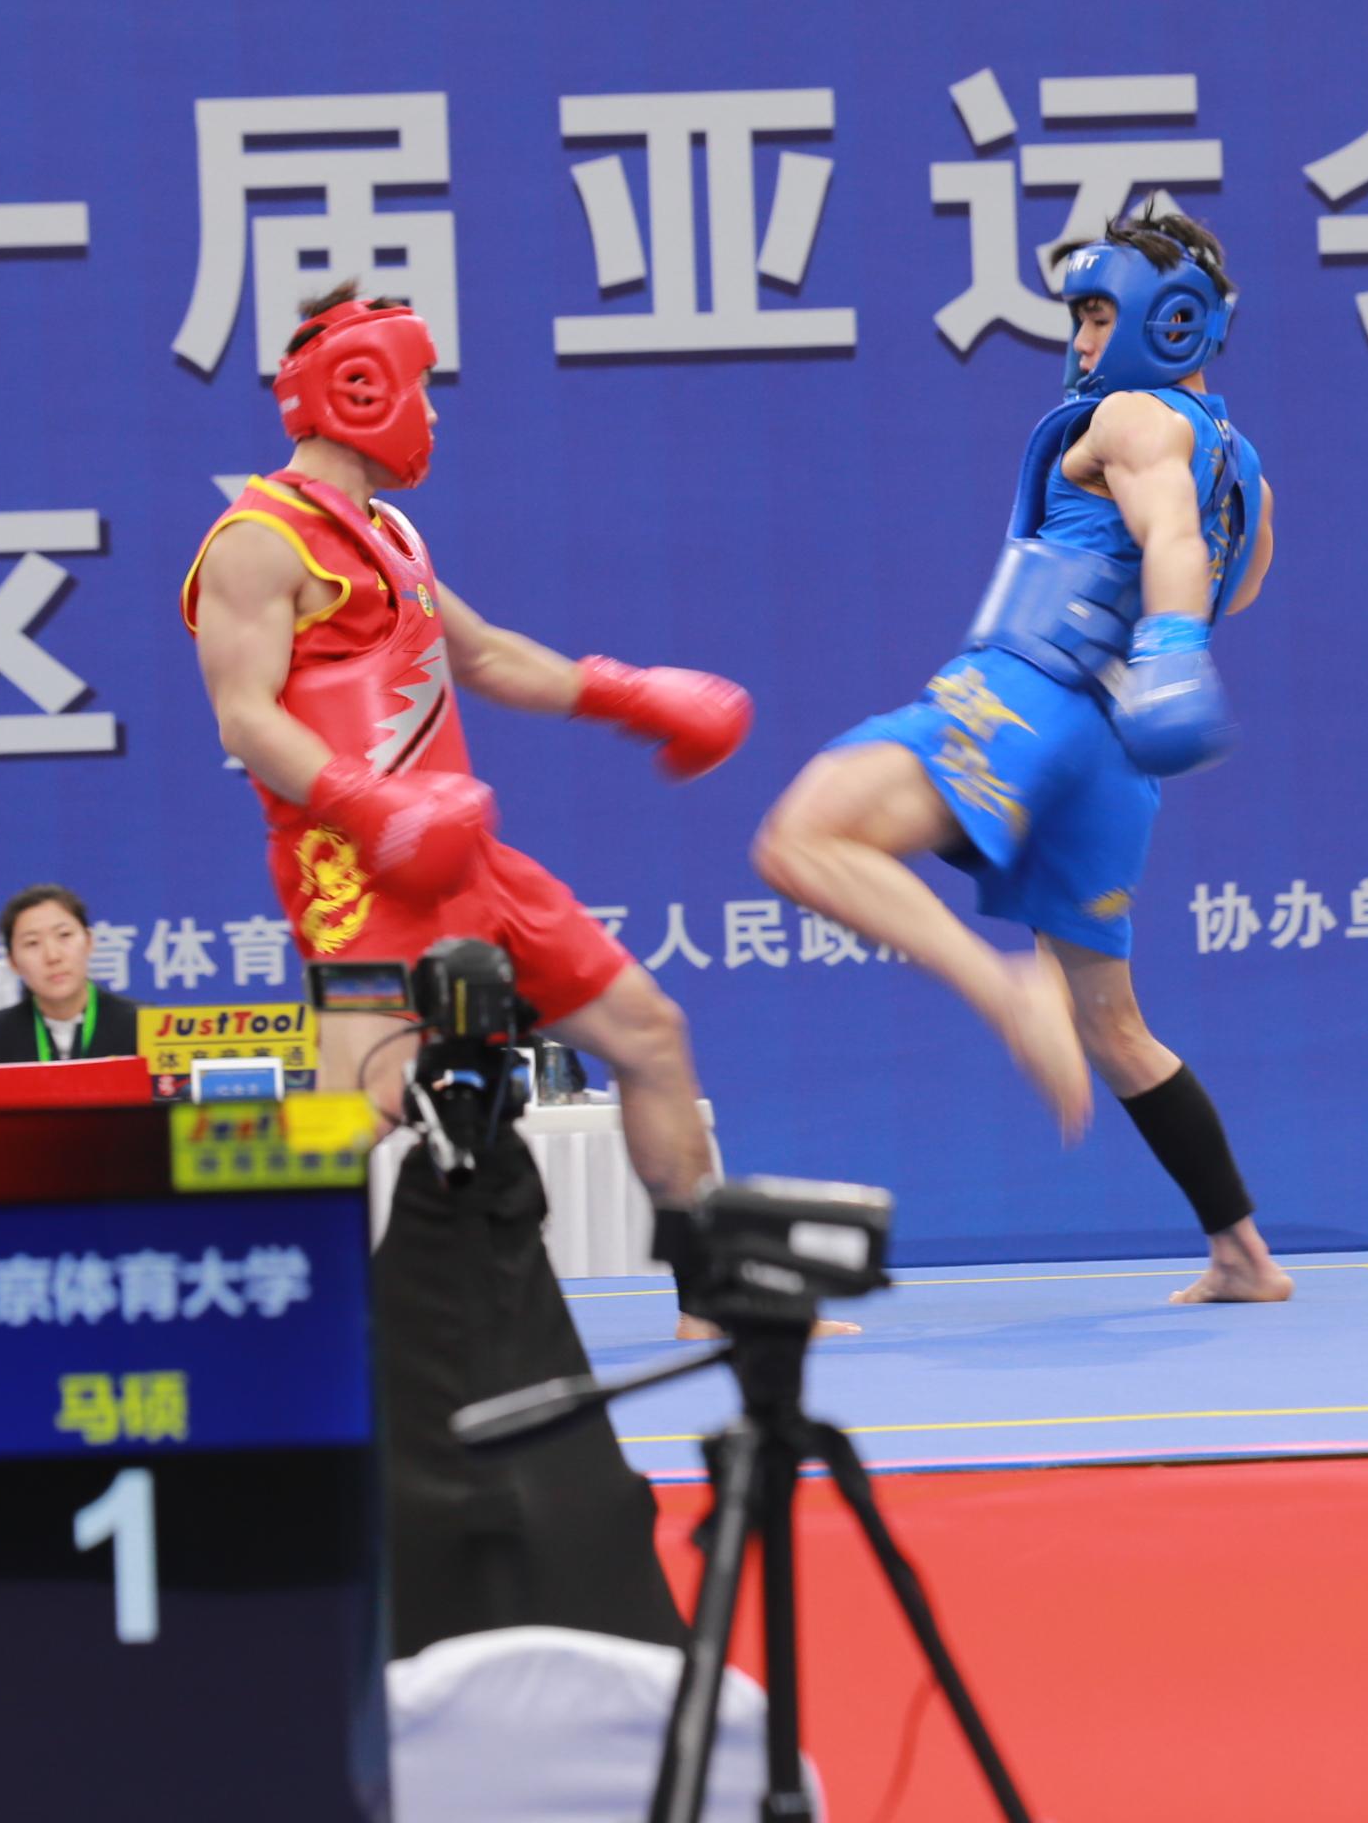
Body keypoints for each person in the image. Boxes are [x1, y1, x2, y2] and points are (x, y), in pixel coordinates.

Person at [184, 283, 752, 1329]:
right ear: (361, 388)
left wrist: (631, 694)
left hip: (465, 854)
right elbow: (244, 715)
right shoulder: (256, 539)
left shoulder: (390, 532)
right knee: (358, 1111)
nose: (434, 412)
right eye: (424, 386)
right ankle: (225, 1308)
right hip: (356, 873)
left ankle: (710, 1296)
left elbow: (483, 654)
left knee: (648, 1030)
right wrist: (367, 804)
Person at [754, 205, 1289, 1305]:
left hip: (1028, 700)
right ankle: (1242, 1252)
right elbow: (1235, 583)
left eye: (1100, 314)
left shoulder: (1133, 418)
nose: (1083, 341)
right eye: (1080, 316)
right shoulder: (1247, 477)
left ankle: (1002, 992)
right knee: (1114, 1026)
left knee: (802, 837)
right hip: (1116, 763)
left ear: (1170, 320)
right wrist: (1168, 640)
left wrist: (1171, 640)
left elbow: (1170, 539)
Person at [0, 883, 141, 1065]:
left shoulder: (140, 1022)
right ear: (13, 962)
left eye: (64, 935)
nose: (52, 956)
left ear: (89, 941)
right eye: (32, 943)